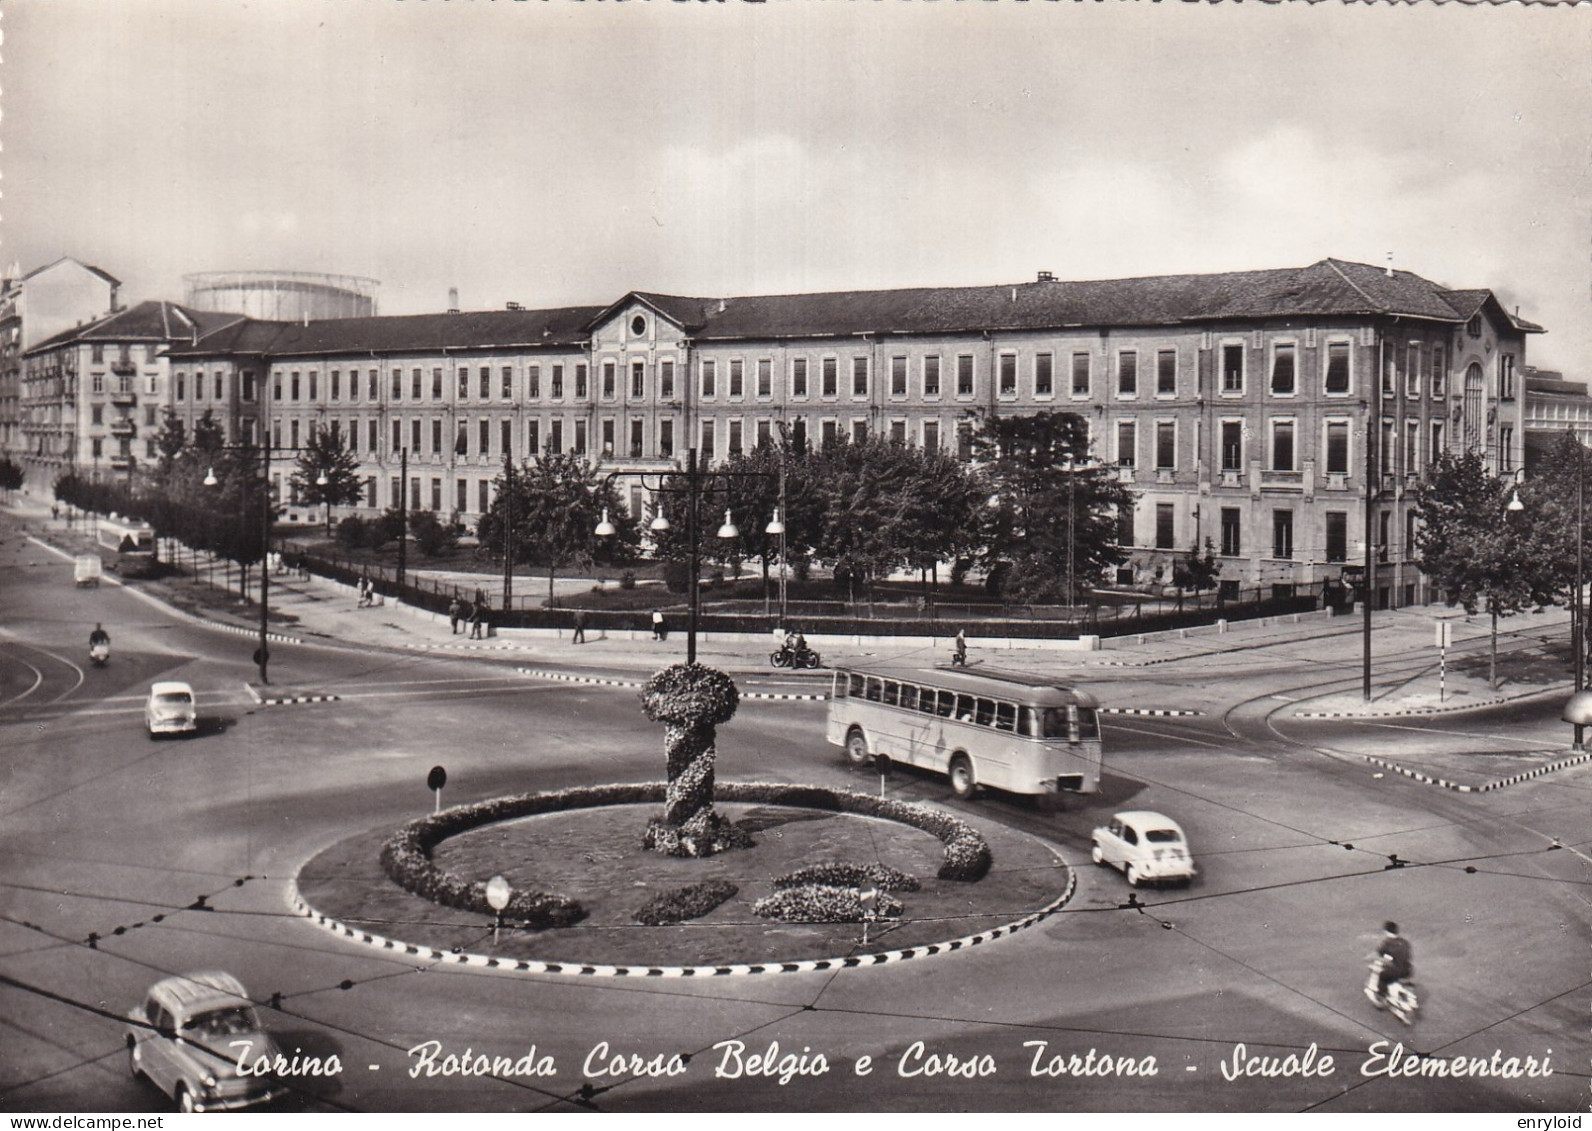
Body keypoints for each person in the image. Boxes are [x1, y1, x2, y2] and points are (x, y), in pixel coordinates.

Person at [1372, 921, 1414, 1001]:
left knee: (1382, 976)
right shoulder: (1405, 942)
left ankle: (1381, 995)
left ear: (1386, 931)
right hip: (1407, 969)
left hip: (1395, 971)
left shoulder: (1387, 943)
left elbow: (1379, 953)